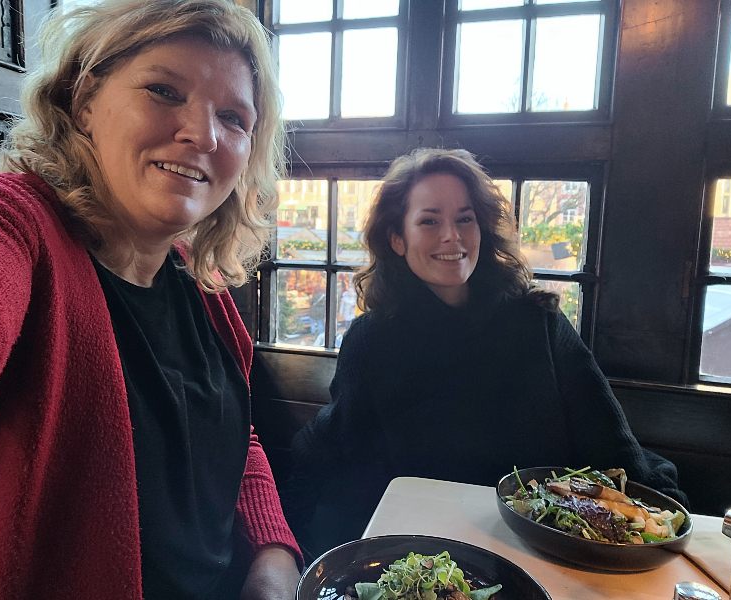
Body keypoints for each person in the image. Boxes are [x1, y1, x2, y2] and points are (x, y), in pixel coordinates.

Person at [0, 1, 302, 598]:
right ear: (83, 102)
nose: (202, 134)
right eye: (163, 90)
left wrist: (272, 552)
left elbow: (229, 432)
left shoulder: (196, 284)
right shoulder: (13, 226)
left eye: (233, 118)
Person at [281, 148, 686, 558]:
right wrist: (284, 548)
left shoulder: (538, 323)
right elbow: (328, 451)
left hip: (539, 547)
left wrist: (675, 531)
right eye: (429, 220)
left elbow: (610, 443)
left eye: (464, 218)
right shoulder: (372, 340)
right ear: (397, 239)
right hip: (427, 553)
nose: (451, 235)